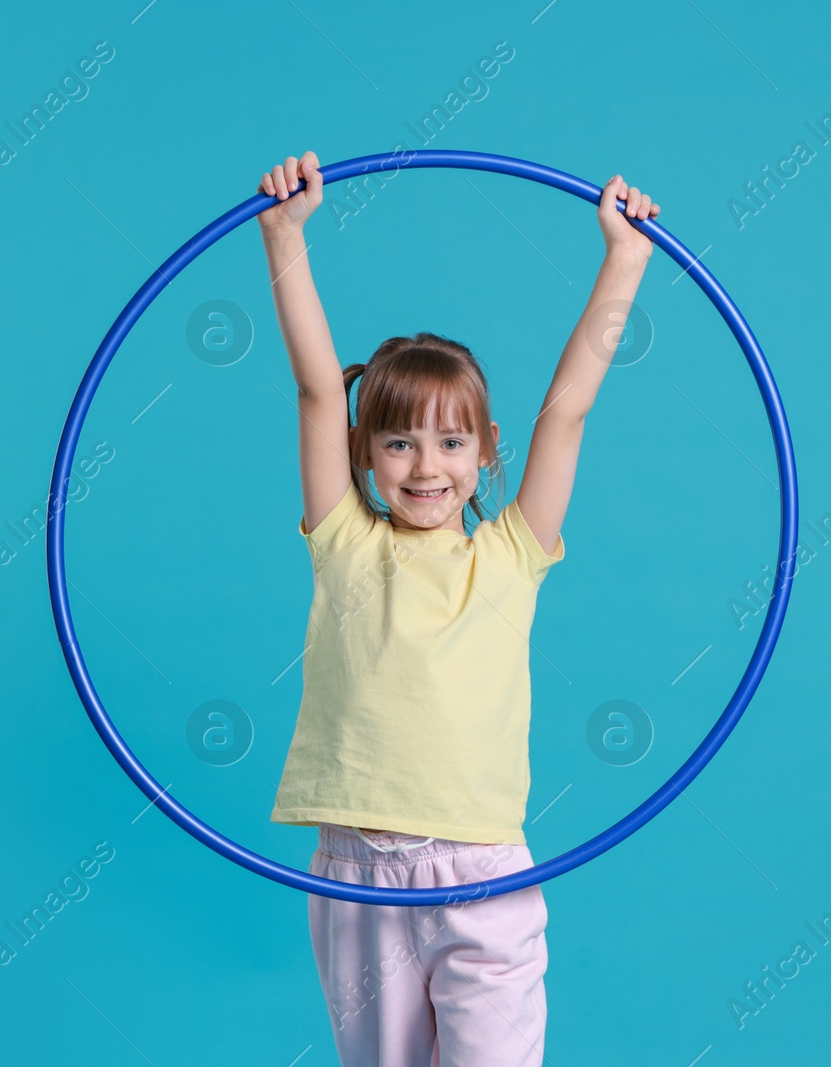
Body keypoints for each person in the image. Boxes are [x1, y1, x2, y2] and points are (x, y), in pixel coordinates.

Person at [257, 149, 659, 1066]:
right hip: (360, 871)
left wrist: (623, 261)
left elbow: (567, 412)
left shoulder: (511, 556)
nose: (425, 464)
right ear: (366, 455)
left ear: (485, 455)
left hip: (483, 873)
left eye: (449, 441)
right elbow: (321, 387)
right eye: (396, 441)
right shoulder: (345, 542)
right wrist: (284, 238)